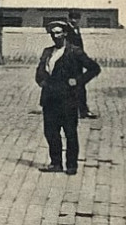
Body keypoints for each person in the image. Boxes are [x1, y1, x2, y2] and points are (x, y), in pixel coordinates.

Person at [35, 21, 101, 175]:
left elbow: (94, 68)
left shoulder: (74, 52)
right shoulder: (47, 52)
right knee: (50, 132)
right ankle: (55, 163)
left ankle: (71, 165)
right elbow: (39, 71)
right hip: (49, 99)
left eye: (58, 33)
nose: (55, 36)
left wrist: (78, 81)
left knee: (70, 132)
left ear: (65, 34)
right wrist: (42, 81)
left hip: (67, 99)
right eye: (52, 33)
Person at [66, 12, 97, 118]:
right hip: (71, 62)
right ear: (69, 18)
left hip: (78, 61)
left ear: (79, 19)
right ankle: (82, 110)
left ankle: (82, 110)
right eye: (72, 18)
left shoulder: (77, 29)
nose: (74, 20)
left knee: (79, 86)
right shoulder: (66, 30)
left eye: (76, 19)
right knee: (78, 85)